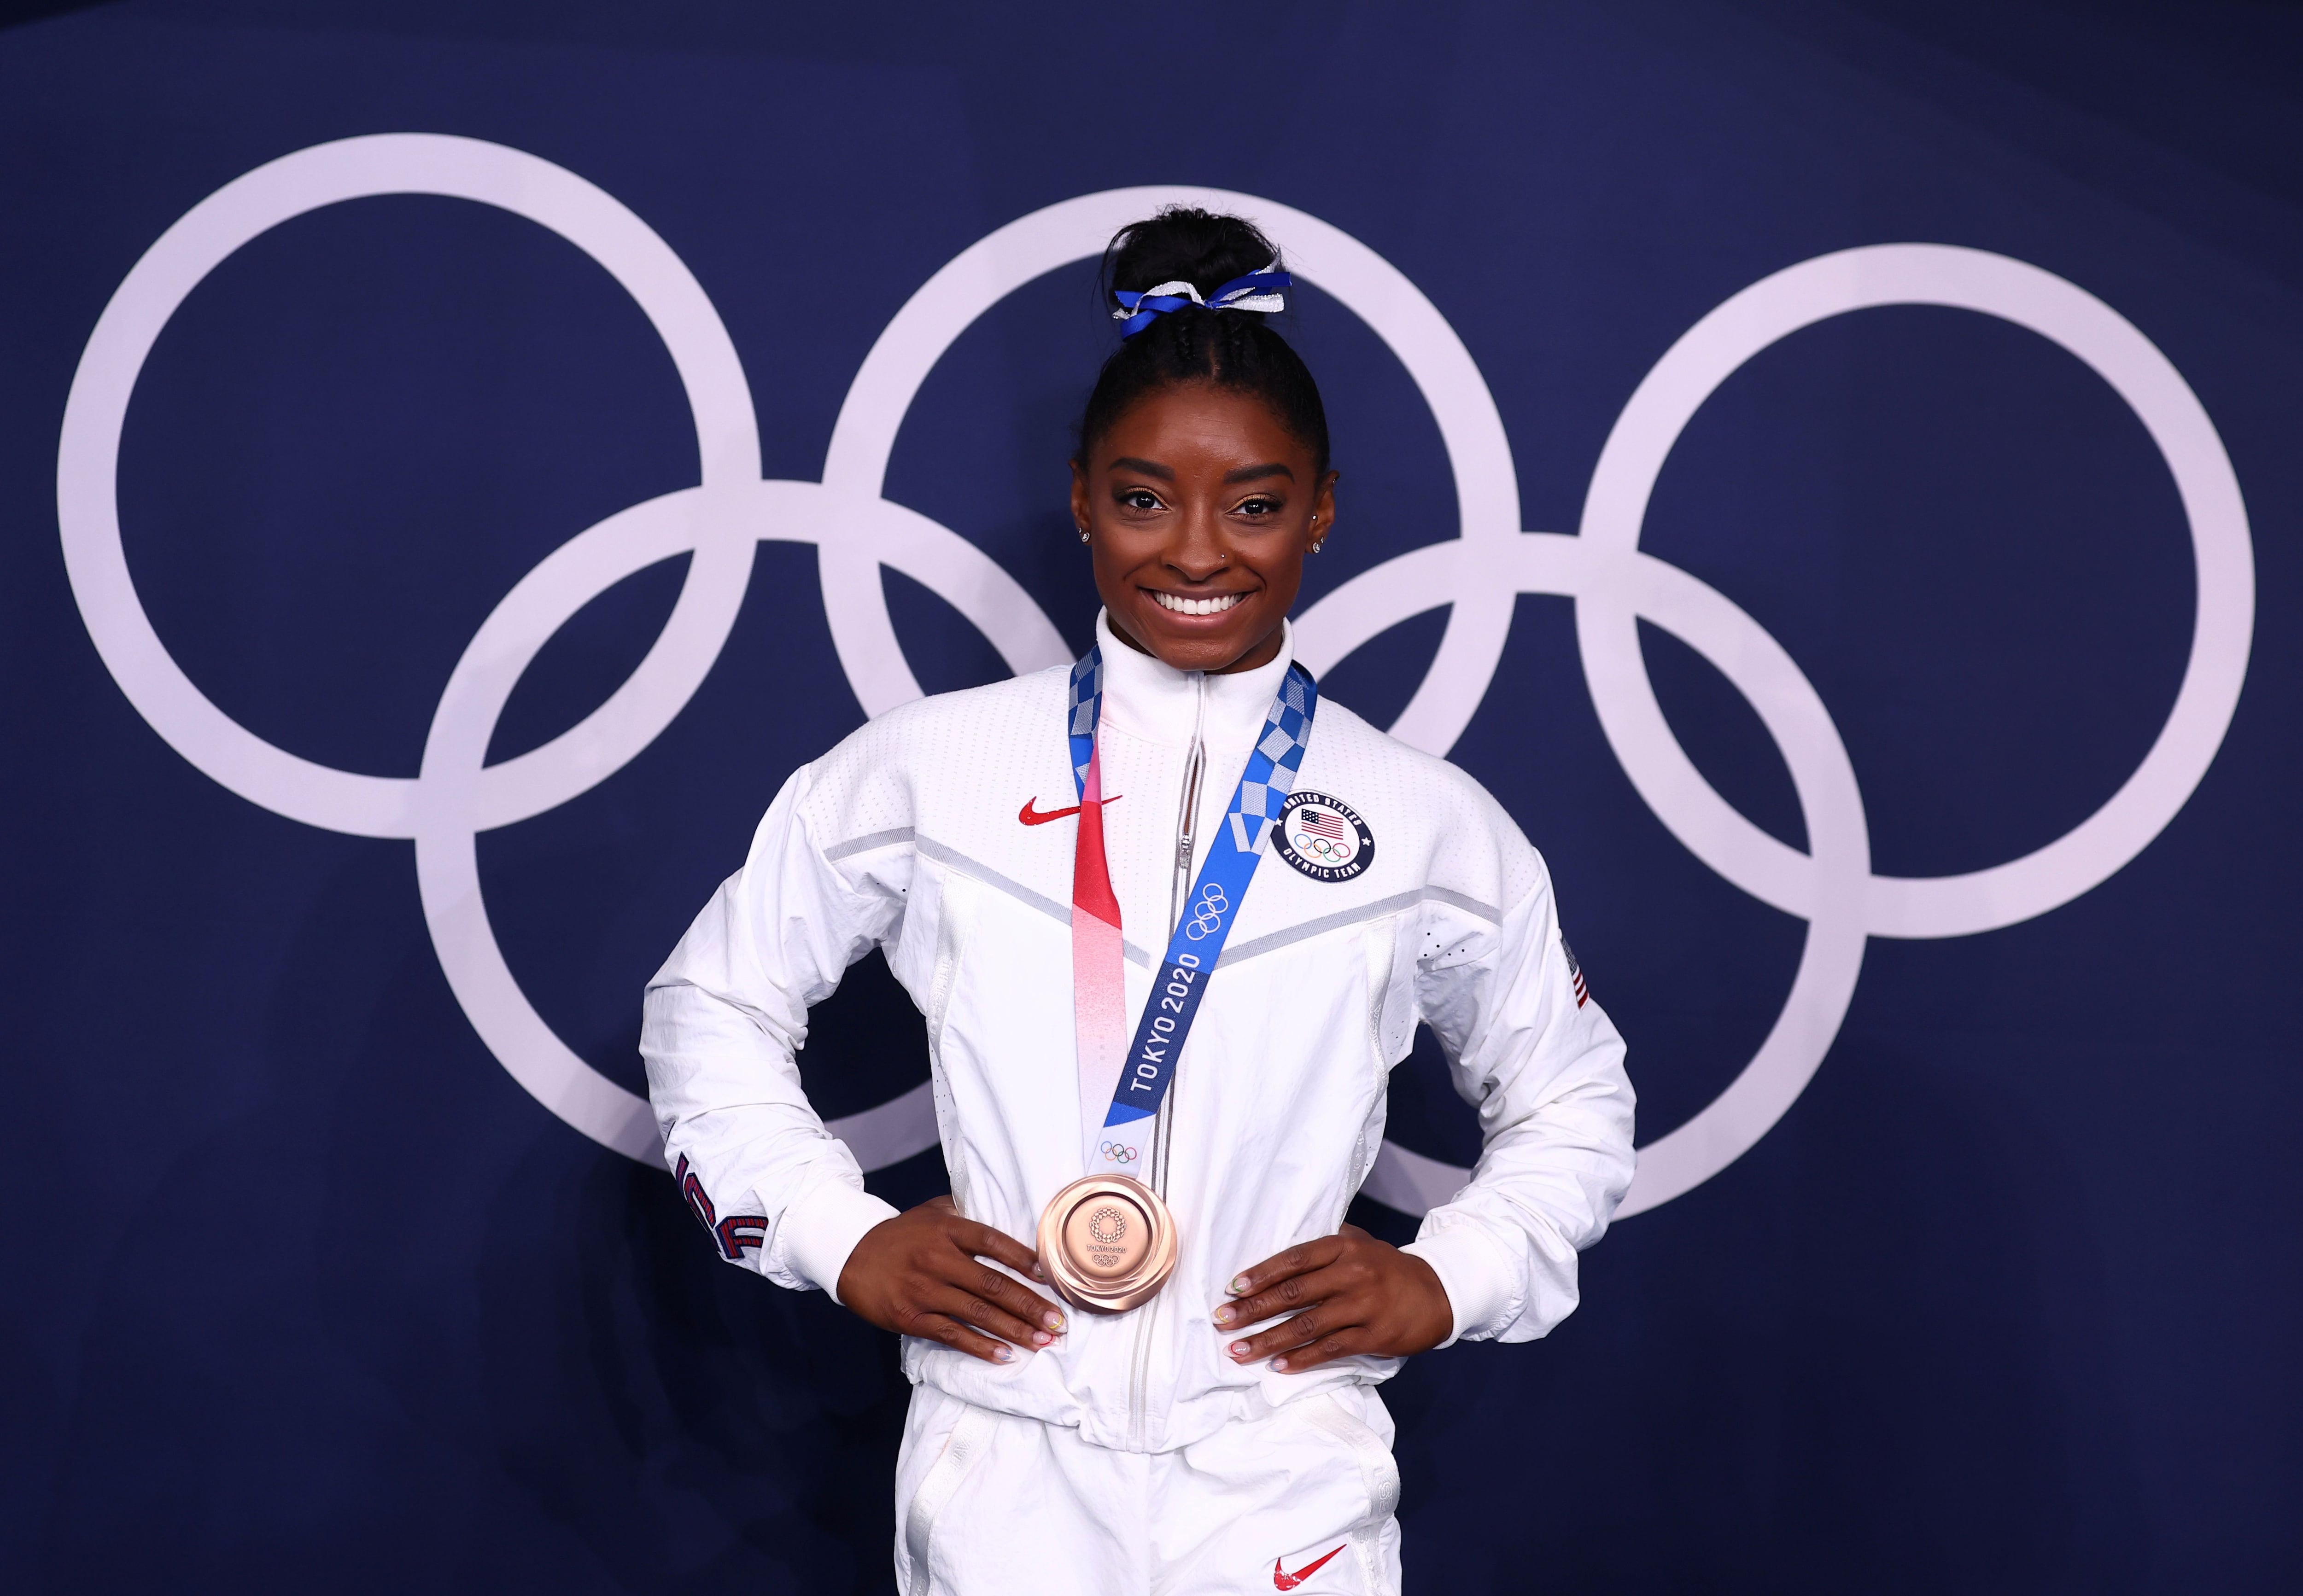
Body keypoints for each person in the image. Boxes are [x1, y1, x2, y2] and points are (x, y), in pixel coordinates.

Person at [641, 207, 1635, 1596]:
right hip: (1004, 1468)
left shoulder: (1424, 819)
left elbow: (1576, 1095)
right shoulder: (935, 767)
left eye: (1258, 502)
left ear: (1323, 509)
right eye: (1145, 496)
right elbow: (710, 1005)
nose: (1198, 552)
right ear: (1083, 499)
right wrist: (836, 1230)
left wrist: (1453, 1275)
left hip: (1286, 1467)